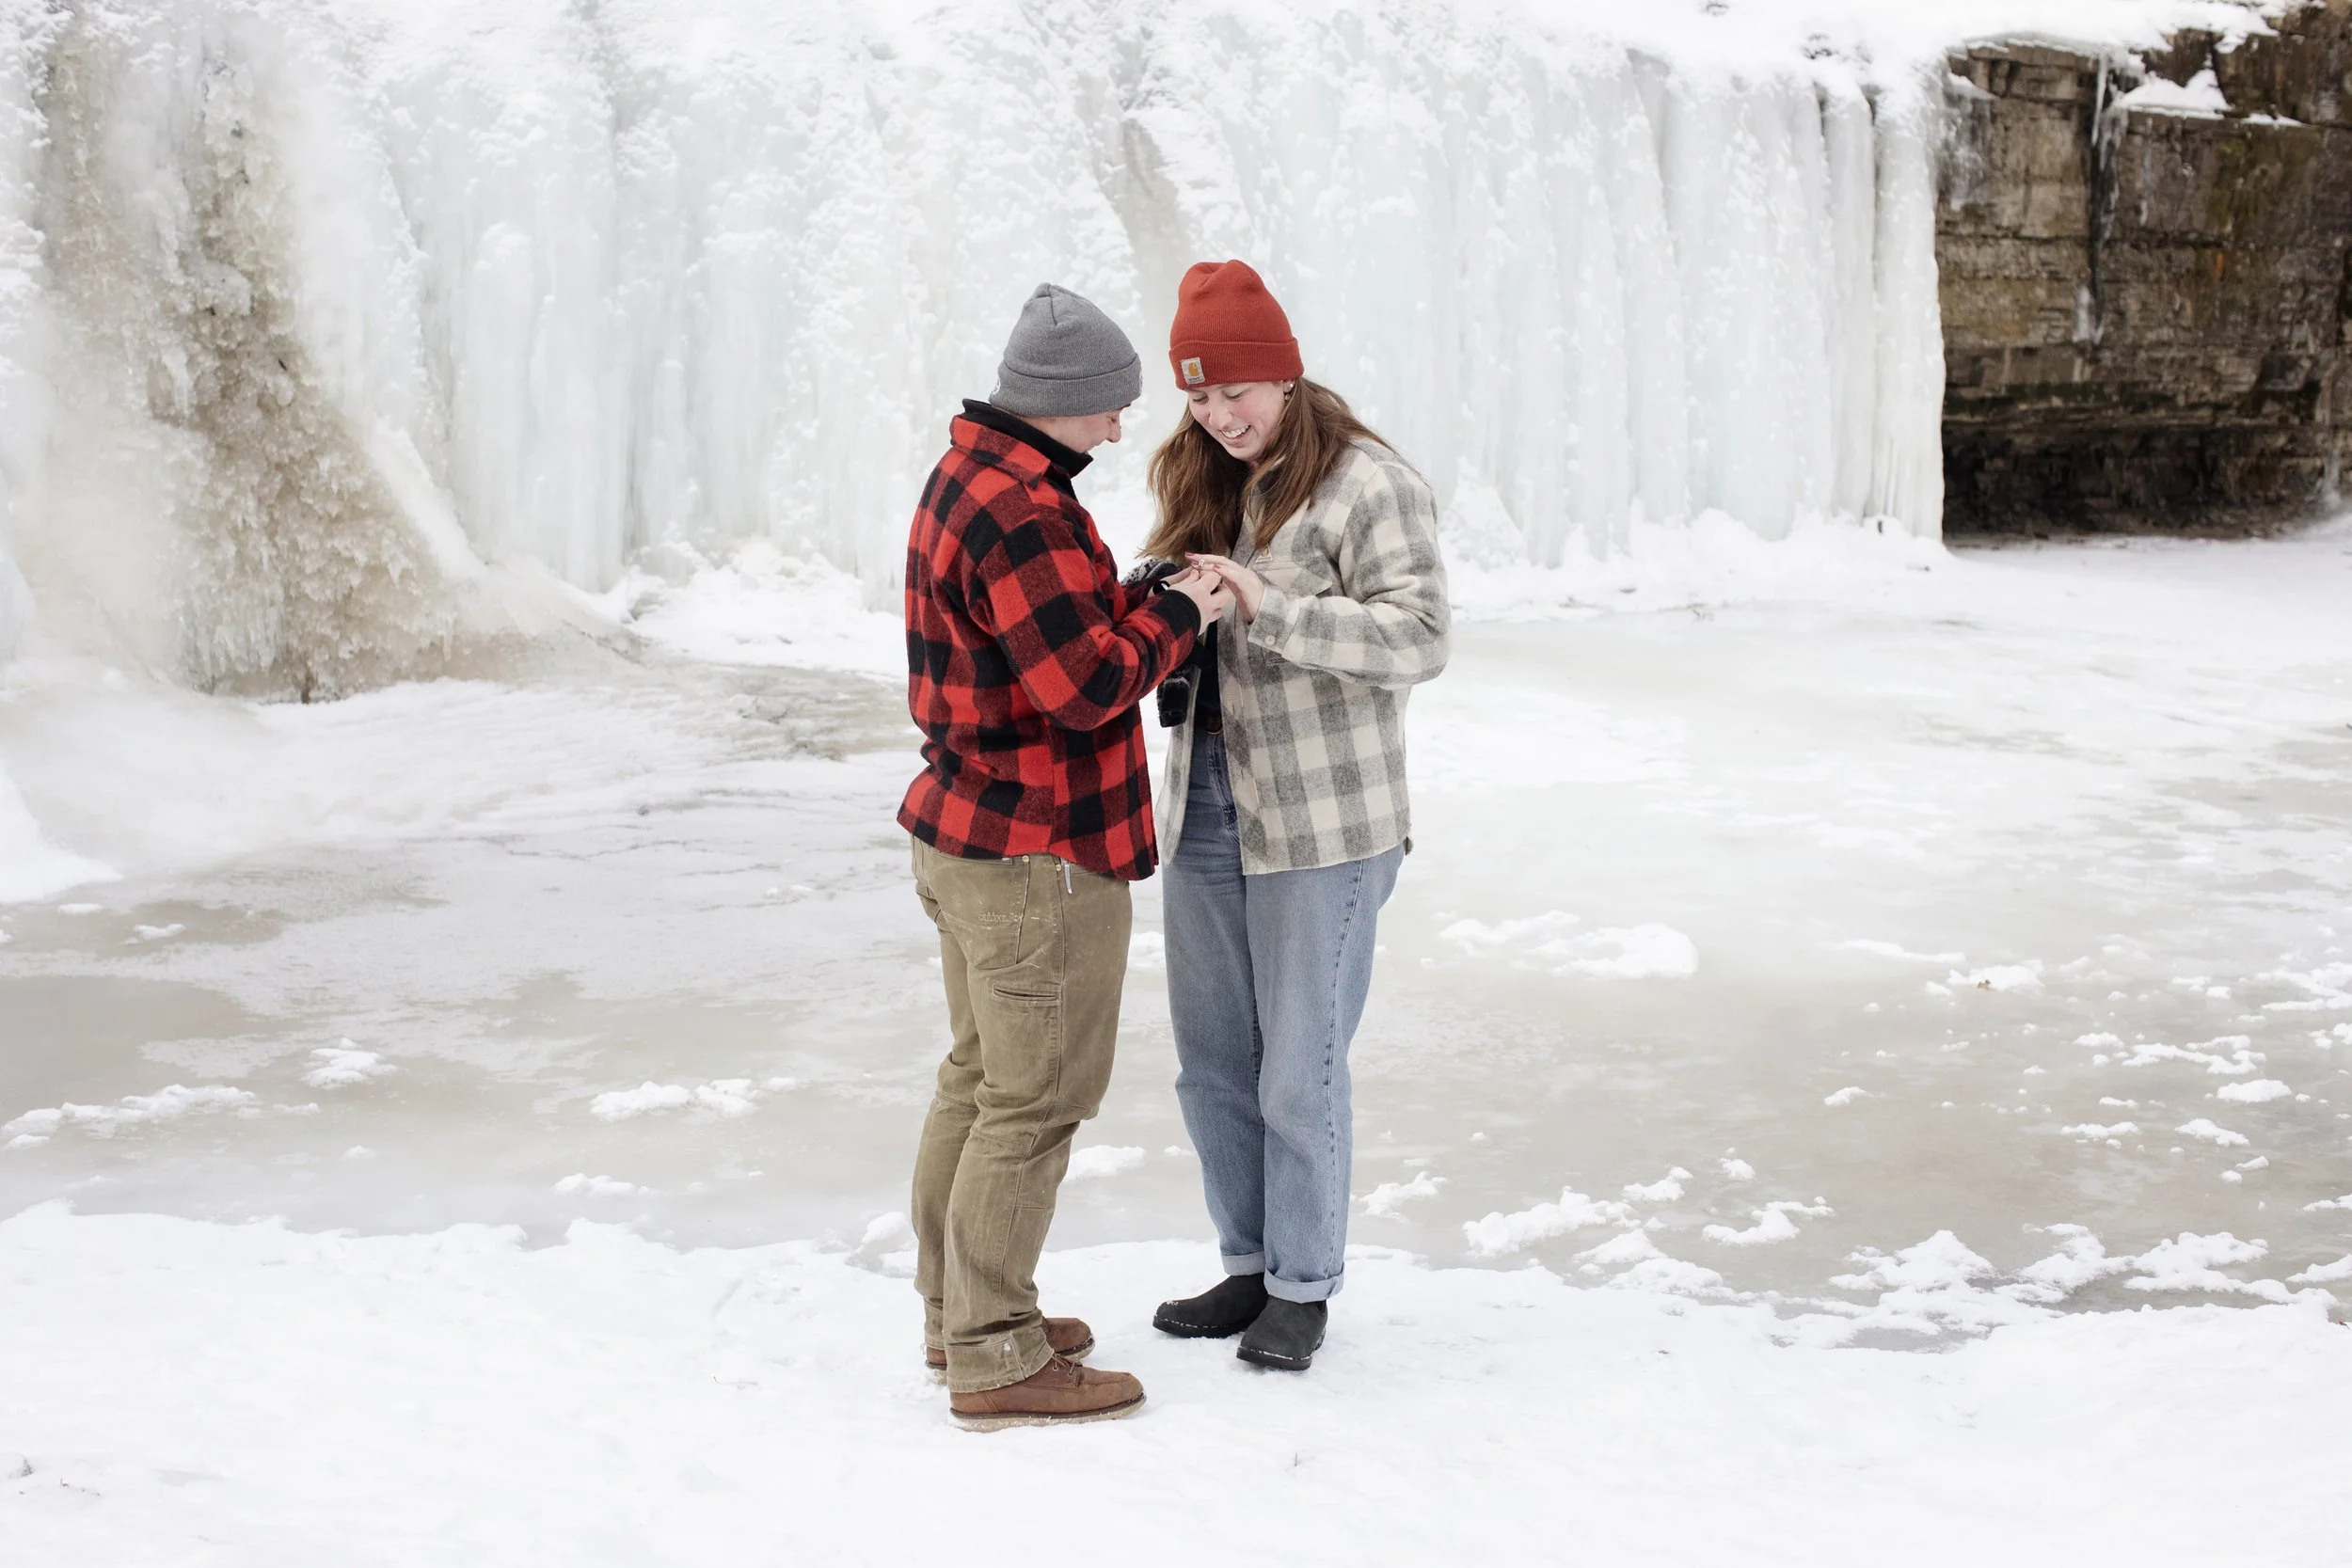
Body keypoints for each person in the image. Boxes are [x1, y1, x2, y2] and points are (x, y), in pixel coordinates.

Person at [899, 282, 1232, 1430]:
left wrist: (1135, 593)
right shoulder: (1025, 511)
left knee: (978, 1078)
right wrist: (1186, 613)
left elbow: (1041, 637)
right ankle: (996, 1354)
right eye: (1110, 405)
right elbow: (1086, 685)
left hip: (967, 833)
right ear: (1060, 397)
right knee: (1034, 1099)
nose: (1120, 426)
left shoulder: (973, 475)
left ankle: (958, 1313)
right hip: (1039, 852)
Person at [1142, 260, 1450, 1371]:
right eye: (1198, 397)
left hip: (1324, 820)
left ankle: (1302, 1284)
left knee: (1298, 1066)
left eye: (1236, 392)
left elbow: (1419, 638)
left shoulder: (1370, 483)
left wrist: (1268, 604)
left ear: (1283, 373)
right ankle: (1247, 1262)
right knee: (1213, 1061)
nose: (1219, 417)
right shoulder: (1201, 471)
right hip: (1204, 798)